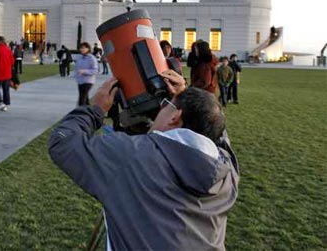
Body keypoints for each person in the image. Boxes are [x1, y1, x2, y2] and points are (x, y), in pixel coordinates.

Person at [49, 71, 239, 251]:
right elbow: (216, 129)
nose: (159, 110)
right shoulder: (227, 171)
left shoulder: (131, 155)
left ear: (175, 116)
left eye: (165, 104)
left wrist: (96, 110)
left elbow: (63, 141)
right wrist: (187, 99)